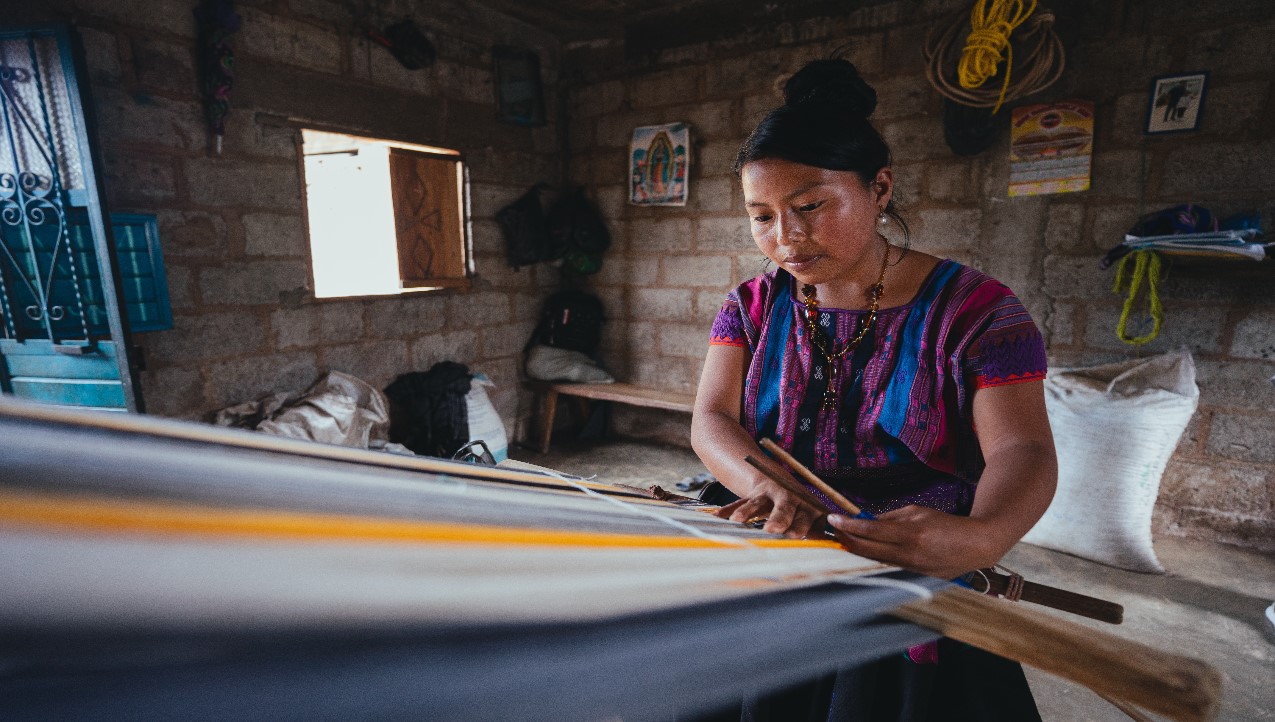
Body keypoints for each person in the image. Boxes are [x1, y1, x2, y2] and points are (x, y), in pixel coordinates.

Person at [690, 58, 1058, 721]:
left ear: (879, 187)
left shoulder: (976, 310)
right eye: (761, 216)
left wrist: (979, 539)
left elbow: (1022, 450)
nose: (786, 238)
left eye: (808, 207)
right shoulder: (750, 304)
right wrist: (764, 487)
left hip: (909, 555)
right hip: (781, 540)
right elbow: (712, 420)